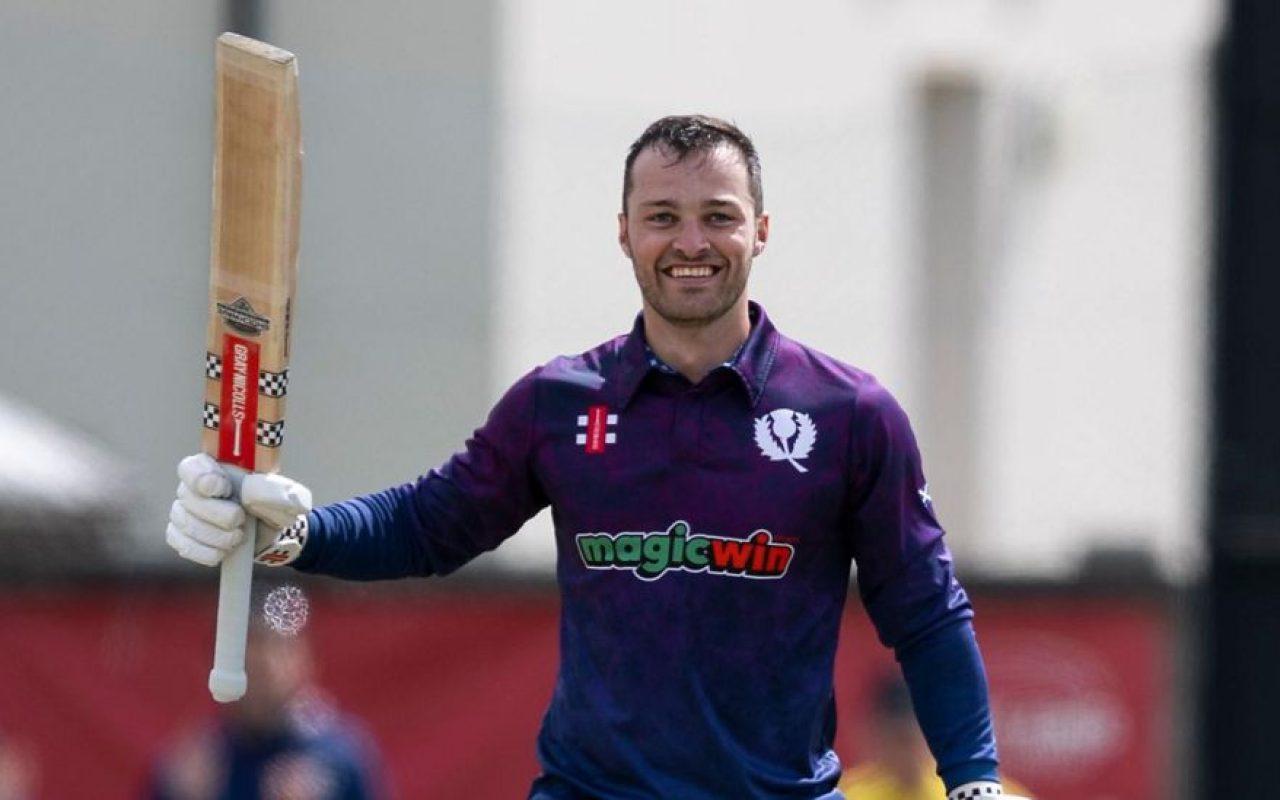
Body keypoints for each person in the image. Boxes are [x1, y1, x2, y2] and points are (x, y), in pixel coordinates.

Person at [168, 115, 1022, 800]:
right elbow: (430, 525)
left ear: (760, 230)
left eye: (718, 216)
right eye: (663, 218)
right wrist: (293, 533)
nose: (692, 241)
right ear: (624, 233)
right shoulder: (559, 402)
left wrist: (975, 779)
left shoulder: (851, 415)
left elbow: (926, 612)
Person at [147, 617, 387, 800]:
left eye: (266, 672)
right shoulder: (193, 763)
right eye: (248, 670)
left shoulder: (338, 756)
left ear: (305, 662)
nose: (257, 686)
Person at [839, 675, 1032, 800]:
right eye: (893, 739)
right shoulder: (845, 793)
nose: (902, 751)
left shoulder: (983, 790)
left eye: (908, 739)